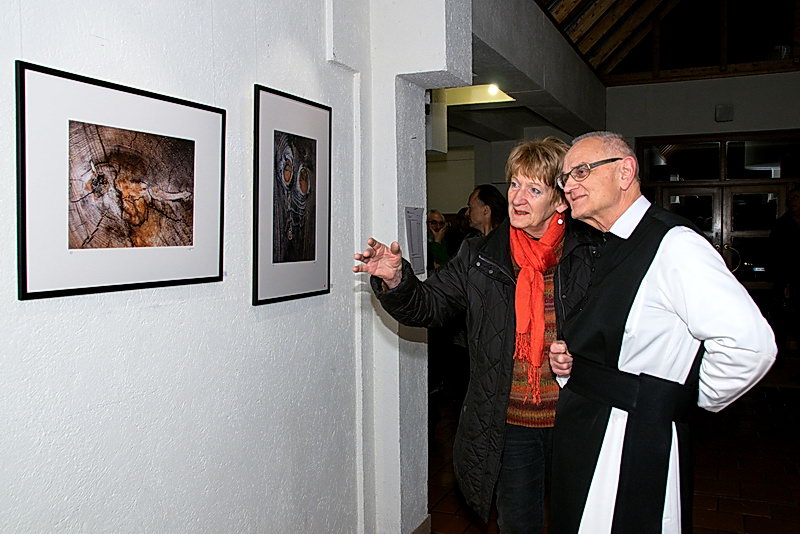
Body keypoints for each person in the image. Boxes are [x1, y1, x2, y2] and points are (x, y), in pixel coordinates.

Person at [547, 131, 777, 534]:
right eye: (565, 177)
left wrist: (678, 398)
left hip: (629, 434)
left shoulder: (675, 244)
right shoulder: (614, 243)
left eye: (580, 171)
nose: (568, 185)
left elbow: (750, 345)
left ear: (625, 172)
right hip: (590, 424)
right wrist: (574, 365)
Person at [354, 138, 570, 533]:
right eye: (515, 184)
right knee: (518, 524)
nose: (518, 198)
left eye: (534, 189)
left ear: (560, 200)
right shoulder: (479, 255)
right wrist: (397, 280)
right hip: (511, 422)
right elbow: (430, 305)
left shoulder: (585, 253)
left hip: (576, 418)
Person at [767, 185, 800, 352]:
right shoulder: (781, 225)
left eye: (796, 198)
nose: (792, 202)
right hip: (786, 280)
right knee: (782, 322)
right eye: (790, 198)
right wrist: (783, 281)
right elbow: (775, 254)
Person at [426, 209, 451, 274]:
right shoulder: (424, 242)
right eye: (434, 223)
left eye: (441, 223)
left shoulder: (450, 241)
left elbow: (446, 266)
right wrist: (437, 242)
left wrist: (437, 241)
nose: (438, 227)